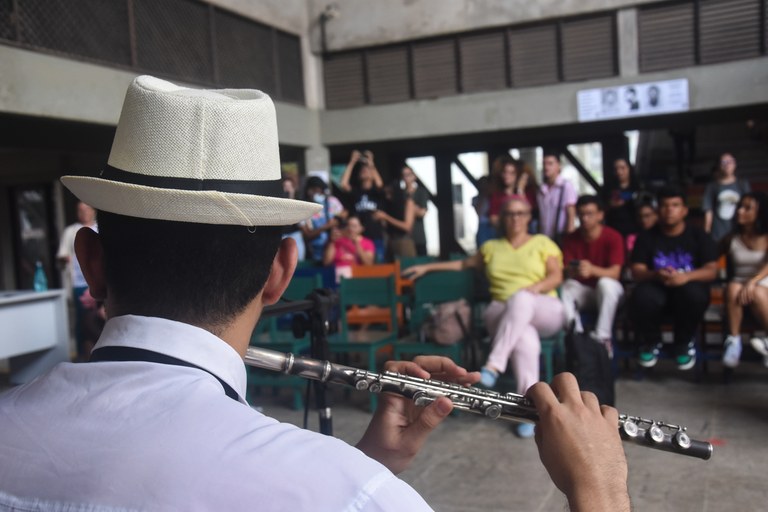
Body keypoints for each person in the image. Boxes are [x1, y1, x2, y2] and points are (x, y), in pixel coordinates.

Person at [0, 76, 631, 512]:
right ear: (281, 272)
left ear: (89, 262)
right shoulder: (349, 494)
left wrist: (366, 464)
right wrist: (599, 493)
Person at [405, 198, 565, 438]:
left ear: (529, 217)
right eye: (510, 213)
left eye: (521, 213)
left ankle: (493, 365)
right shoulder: (491, 248)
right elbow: (461, 265)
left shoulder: (542, 243)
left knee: (521, 299)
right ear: (502, 218)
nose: (515, 218)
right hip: (502, 314)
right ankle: (528, 412)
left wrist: (536, 288)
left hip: (543, 307)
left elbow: (556, 276)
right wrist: (428, 268)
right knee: (525, 339)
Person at [629, 186, 718, 370]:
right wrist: (656, 274)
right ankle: (651, 342)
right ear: (658, 210)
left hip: (687, 291)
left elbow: (711, 270)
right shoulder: (646, 237)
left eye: (675, 205)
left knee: (695, 294)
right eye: (665, 205)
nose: (670, 210)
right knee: (641, 295)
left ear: (684, 210)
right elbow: (637, 271)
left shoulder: (699, 235)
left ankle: (683, 344)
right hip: (657, 288)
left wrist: (686, 277)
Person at [561, 196, 625, 357]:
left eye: (589, 214)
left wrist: (592, 270)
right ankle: (576, 337)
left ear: (600, 215)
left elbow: (615, 273)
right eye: (581, 214)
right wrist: (575, 270)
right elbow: (565, 270)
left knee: (606, 283)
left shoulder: (613, 236)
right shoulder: (571, 238)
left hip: (610, 294)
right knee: (566, 287)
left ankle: (603, 338)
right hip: (585, 292)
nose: (584, 218)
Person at [719, 192, 768, 368]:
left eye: (747, 208)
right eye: (740, 207)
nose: (740, 211)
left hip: (763, 282)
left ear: (760, 212)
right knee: (732, 287)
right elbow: (711, 259)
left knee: (758, 292)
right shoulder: (731, 238)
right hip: (740, 285)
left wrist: (753, 282)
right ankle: (734, 342)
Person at [56, 200, 98, 360]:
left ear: (93, 211)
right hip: (80, 283)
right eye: (80, 210)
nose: (83, 213)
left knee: (100, 319)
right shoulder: (71, 231)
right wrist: (66, 260)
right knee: (83, 322)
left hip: (99, 281)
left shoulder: (99, 228)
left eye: (86, 209)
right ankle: (84, 355)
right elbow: (61, 257)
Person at [340, 149, 386, 262]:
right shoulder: (356, 192)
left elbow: (380, 184)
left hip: (376, 235)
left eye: (367, 170)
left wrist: (371, 164)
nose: (364, 171)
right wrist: (352, 161)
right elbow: (344, 184)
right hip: (359, 237)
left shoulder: (376, 192)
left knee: (378, 265)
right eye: (362, 170)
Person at [703, 152, 751, 243]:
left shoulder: (743, 184)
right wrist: (706, 233)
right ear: (719, 166)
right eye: (724, 162)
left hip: (738, 232)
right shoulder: (712, 187)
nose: (727, 165)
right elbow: (708, 211)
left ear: (735, 164)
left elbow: (749, 207)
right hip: (718, 233)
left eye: (730, 161)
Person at [300, 175, 345, 263]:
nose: (316, 192)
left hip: (335, 249)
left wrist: (338, 220)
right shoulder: (303, 208)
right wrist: (326, 226)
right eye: (313, 190)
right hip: (315, 252)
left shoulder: (332, 201)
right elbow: (307, 235)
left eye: (319, 190)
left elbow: (344, 215)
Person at [537, 151, 577, 242]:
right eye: (544, 164)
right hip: (544, 237)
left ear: (558, 166)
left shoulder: (566, 186)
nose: (546, 167)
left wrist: (570, 237)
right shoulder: (541, 190)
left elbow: (571, 213)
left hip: (561, 236)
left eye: (550, 163)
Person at [323, 215, 375, 281]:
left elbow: (368, 264)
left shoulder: (367, 243)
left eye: (354, 226)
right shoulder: (337, 240)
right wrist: (332, 242)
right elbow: (326, 262)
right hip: (336, 277)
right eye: (348, 225)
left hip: (358, 278)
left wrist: (357, 243)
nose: (350, 229)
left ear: (361, 228)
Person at [375, 179, 417, 260]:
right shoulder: (388, 205)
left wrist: (386, 217)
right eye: (386, 194)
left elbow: (407, 227)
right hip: (390, 241)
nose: (388, 196)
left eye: (390, 193)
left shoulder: (408, 203)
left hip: (403, 241)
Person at [604, 158, 640, 240]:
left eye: (622, 168)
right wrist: (611, 205)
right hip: (614, 228)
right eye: (616, 169)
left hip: (634, 229)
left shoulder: (638, 187)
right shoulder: (607, 189)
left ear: (629, 168)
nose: (619, 172)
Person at [401, 164, 430, 256]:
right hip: (404, 238)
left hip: (419, 237)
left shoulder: (421, 192)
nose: (406, 177)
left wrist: (408, 208)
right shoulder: (400, 194)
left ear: (414, 176)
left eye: (408, 174)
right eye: (404, 175)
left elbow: (422, 213)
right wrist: (414, 208)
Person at [281, 175, 306, 261]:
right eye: (285, 187)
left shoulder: (299, 203)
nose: (287, 189)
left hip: (295, 234)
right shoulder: (278, 205)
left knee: (299, 258)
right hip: (282, 235)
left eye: (290, 187)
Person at [473, 175, 495, 248]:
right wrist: (484, 196)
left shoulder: (495, 197)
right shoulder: (476, 199)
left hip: (495, 225)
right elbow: (479, 212)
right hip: (484, 226)